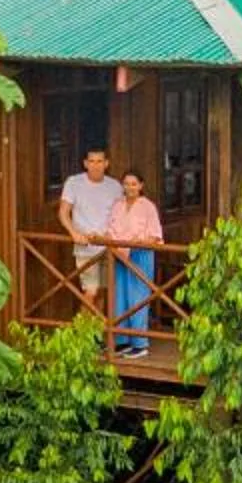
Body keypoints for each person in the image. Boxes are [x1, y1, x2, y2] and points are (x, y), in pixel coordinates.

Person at [105, 169, 164, 355]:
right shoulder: (117, 205)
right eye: (126, 183)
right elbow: (110, 228)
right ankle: (122, 340)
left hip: (140, 255)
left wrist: (139, 243)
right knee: (119, 298)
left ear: (140, 186)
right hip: (119, 254)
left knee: (138, 298)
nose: (129, 187)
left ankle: (140, 344)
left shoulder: (148, 207)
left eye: (133, 184)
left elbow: (155, 236)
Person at [57, 148, 122, 310]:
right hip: (85, 247)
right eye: (92, 161)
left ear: (107, 163)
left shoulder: (115, 186)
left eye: (100, 161)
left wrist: (111, 234)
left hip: (108, 247)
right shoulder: (74, 183)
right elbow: (63, 213)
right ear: (85, 163)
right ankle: (80, 333)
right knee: (90, 291)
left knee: (102, 291)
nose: (95, 165)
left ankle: (96, 332)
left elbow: (120, 216)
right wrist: (74, 233)